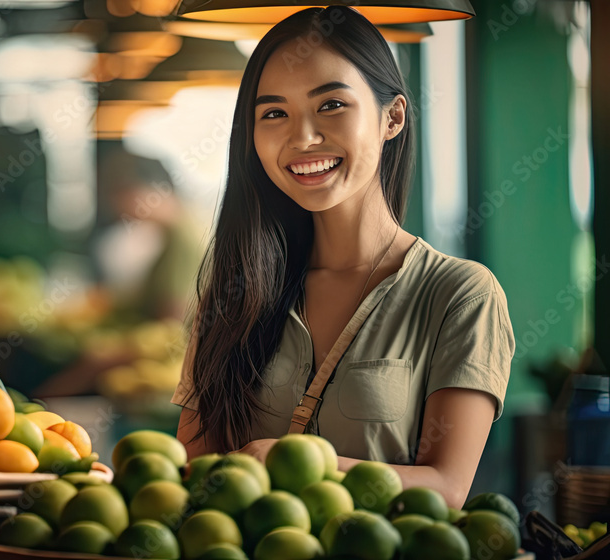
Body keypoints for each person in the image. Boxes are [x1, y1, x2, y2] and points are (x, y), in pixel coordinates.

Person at [170, 6, 515, 509]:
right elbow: (188, 476)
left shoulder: (460, 294)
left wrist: (298, 464)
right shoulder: (234, 291)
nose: (302, 138)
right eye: (273, 114)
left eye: (331, 105)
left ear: (392, 117)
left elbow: (446, 487)